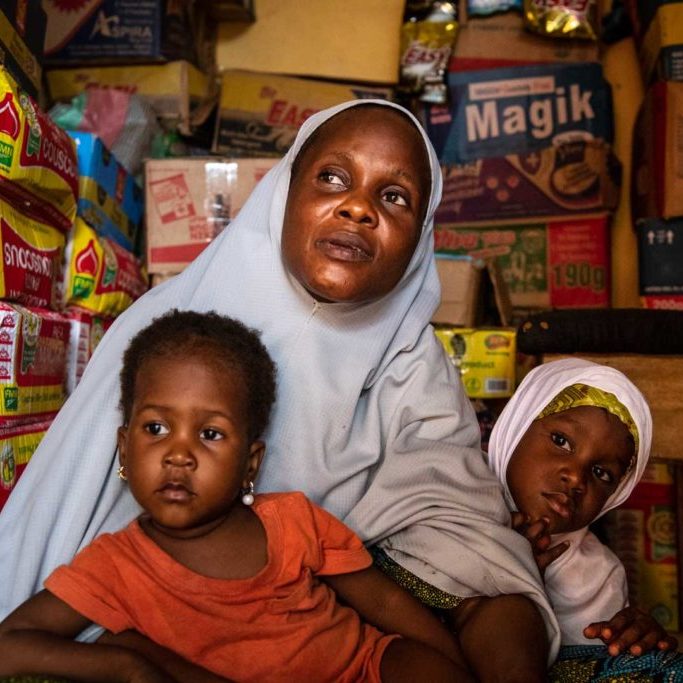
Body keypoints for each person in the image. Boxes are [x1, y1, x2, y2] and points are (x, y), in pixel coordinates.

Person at [0, 99, 559, 680]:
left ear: (421, 239)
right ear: (284, 192)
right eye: (333, 178)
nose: (359, 208)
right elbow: (61, 527)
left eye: (395, 197)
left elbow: (475, 558)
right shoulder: (171, 338)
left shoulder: (417, 375)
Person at [0, 310, 474, 682]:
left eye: (209, 433)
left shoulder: (291, 523)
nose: (178, 454)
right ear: (124, 447)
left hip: (362, 669)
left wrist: (454, 666)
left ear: (250, 463)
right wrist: (126, 668)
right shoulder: (116, 565)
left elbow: (389, 608)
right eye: (156, 428)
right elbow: (11, 642)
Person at [486, 358, 679, 657]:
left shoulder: (600, 579)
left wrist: (634, 651)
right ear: (516, 426)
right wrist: (506, 575)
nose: (576, 478)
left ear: (614, 495)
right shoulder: (450, 508)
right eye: (561, 441)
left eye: (602, 474)